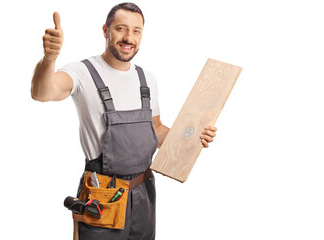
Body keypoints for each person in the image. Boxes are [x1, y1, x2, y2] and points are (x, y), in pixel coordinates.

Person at [31, 2, 217, 240]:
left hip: (143, 192)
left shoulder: (146, 79)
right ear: (105, 30)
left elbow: (156, 130)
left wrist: (192, 137)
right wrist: (49, 59)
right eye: (121, 28)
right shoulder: (82, 72)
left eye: (136, 30)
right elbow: (42, 93)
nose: (129, 37)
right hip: (102, 195)